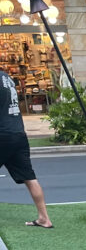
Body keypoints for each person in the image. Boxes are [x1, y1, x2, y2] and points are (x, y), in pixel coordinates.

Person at [0, 69, 53, 229]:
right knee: (29, 177)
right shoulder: (6, 78)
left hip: (2, 134)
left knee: (29, 177)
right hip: (18, 133)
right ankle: (44, 218)